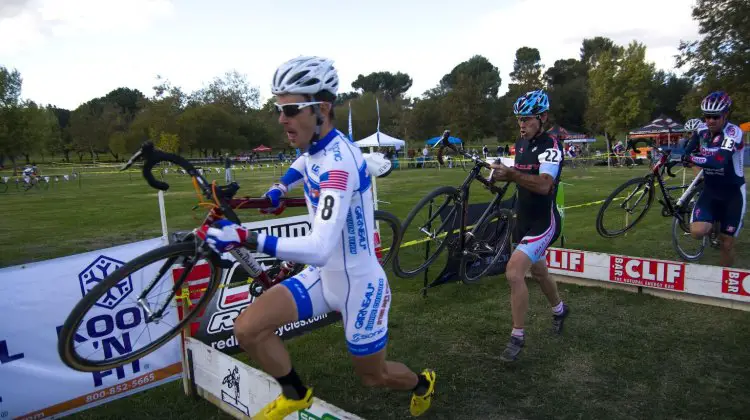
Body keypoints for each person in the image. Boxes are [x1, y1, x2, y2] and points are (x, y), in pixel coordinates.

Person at [198, 56, 436, 419]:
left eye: (290, 110)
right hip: (324, 280)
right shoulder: (315, 147)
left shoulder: (338, 163)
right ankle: (295, 393)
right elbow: (304, 162)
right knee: (247, 328)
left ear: (321, 108)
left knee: (374, 376)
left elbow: (320, 248)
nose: (282, 119)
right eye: (278, 109)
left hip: (359, 283)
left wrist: (248, 237)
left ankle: (422, 383)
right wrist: (281, 185)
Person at [488, 89, 570, 362]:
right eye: (519, 119)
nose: (522, 124)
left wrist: (512, 174)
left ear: (543, 117)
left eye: (528, 119)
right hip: (522, 219)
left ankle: (517, 337)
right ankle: (559, 309)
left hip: (543, 222)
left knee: (514, 273)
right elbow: (519, 176)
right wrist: (496, 176)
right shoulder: (520, 144)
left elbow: (545, 185)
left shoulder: (551, 147)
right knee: (539, 271)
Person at [681, 91, 745, 267]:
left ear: (725, 115)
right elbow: (687, 150)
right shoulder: (701, 130)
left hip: (733, 193)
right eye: (707, 116)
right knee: (696, 231)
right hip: (710, 190)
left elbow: (719, 162)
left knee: (727, 244)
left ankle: (723, 283)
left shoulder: (733, 132)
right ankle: (714, 224)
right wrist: (685, 156)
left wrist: (692, 159)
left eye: (715, 116)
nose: (710, 120)